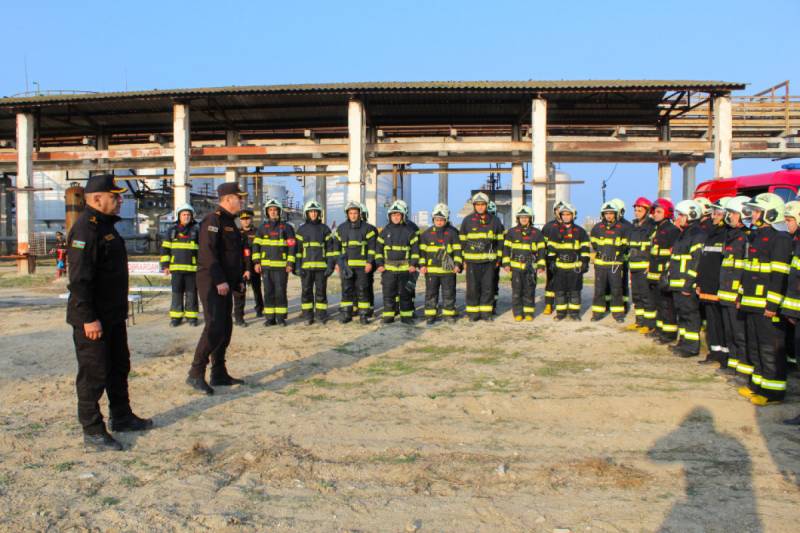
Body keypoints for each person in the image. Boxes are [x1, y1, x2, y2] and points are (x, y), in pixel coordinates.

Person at [67, 174, 152, 451]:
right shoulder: (86, 229)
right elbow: (79, 279)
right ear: (96, 199)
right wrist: (88, 317)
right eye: (114, 196)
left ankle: (122, 416)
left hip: (113, 316)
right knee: (94, 374)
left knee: (119, 366)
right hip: (94, 319)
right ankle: (92, 430)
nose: (119, 201)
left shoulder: (106, 226)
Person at [187, 182, 248, 395]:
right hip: (212, 281)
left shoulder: (232, 222)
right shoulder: (213, 220)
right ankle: (195, 373)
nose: (242, 201)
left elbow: (232, 255)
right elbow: (208, 253)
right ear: (228, 198)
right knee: (213, 326)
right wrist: (220, 280)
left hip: (225, 282)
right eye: (239, 198)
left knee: (225, 328)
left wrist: (237, 279)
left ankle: (219, 372)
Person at [737, 193, 792, 406]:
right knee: (755, 346)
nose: (753, 215)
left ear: (770, 213)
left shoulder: (781, 239)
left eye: (758, 211)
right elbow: (748, 271)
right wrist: (741, 295)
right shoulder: (756, 237)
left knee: (770, 348)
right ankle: (758, 384)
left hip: (766, 306)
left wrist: (772, 305)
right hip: (751, 302)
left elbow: (779, 275)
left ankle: (774, 392)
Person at [666, 200, 707, 357]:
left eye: (681, 215)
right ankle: (682, 343)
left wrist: (688, 284)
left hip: (686, 284)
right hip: (677, 282)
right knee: (682, 315)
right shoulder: (683, 234)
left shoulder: (698, 235)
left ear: (691, 215)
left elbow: (696, 262)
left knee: (690, 315)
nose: (678, 218)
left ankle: (691, 347)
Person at [716, 196, 751, 376]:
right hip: (726, 291)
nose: (729, 217)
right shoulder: (731, 236)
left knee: (740, 334)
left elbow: (747, 270)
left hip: (736, 293)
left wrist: (741, 293)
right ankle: (733, 364)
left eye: (733, 214)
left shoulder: (746, 238)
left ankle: (744, 371)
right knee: (729, 332)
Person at [696, 198, 731, 365]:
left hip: (719, 287)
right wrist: (699, 283)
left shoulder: (727, 235)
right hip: (707, 286)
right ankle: (714, 352)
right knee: (712, 323)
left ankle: (725, 356)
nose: (714, 217)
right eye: (713, 213)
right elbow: (704, 260)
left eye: (717, 213)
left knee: (722, 323)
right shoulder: (711, 233)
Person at [460, 192, 504, 321]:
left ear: (486, 205)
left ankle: (486, 314)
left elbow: (500, 242)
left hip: (489, 262)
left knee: (488, 288)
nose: (480, 207)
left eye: (482, 205)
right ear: (474, 206)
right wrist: (464, 260)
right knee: (472, 288)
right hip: (472, 262)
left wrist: (498, 259)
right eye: (477, 205)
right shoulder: (467, 220)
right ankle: (473, 314)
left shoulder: (495, 221)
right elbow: (462, 241)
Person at [253, 198, 296, 327]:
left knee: (280, 291)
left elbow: (292, 246)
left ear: (279, 212)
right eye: (270, 210)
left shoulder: (287, 228)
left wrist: (290, 263)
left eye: (275, 210)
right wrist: (256, 262)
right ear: (267, 212)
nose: (273, 212)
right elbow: (256, 246)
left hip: (282, 267)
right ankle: (270, 318)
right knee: (268, 292)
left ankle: (281, 318)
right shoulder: (262, 228)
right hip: (266, 267)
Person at [376, 200, 420, 324]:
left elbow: (415, 250)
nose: (395, 217)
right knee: (388, 293)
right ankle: (389, 316)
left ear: (403, 216)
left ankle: (406, 317)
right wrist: (379, 264)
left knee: (405, 294)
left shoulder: (409, 231)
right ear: (389, 216)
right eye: (393, 215)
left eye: (398, 215)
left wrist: (413, 264)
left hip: (405, 269)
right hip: (388, 270)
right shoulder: (384, 232)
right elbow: (378, 249)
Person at [333, 201, 376, 324]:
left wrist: (369, 262)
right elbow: (336, 248)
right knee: (346, 290)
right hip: (346, 266)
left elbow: (372, 248)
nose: (353, 215)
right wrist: (337, 263)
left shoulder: (367, 228)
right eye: (351, 213)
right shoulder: (341, 229)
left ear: (359, 214)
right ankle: (347, 314)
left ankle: (363, 315)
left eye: (355, 213)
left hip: (362, 266)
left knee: (362, 289)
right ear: (347, 214)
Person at [419, 203, 462, 324]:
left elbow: (458, 251)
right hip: (431, 271)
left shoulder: (453, 233)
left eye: (442, 220)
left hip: (448, 270)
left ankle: (448, 314)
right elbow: (422, 253)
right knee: (431, 293)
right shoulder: (426, 234)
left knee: (449, 293)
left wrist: (458, 264)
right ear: (433, 219)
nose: (439, 222)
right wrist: (422, 266)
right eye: (437, 219)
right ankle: (430, 315)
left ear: (446, 219)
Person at [295, 200, 336, 325]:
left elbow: (330, 250)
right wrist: (297, 266)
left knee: (321, 292)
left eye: (315, 212)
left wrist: (330, 266)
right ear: (307, 213)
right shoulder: (301, 230)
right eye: (311, 212)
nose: (313, 214)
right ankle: (308, 315)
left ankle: (321, 314)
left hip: (321, 268)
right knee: (306, 291)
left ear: (319, 214)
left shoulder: (325, 229)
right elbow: (298, 251)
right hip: (306, 268)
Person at [645, 198, 681, 343]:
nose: (655, 214)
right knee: (658, 305)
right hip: (654, 274)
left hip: (664, 275)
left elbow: (673, 254)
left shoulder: (672, 231)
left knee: (667, 306)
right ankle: (659, 330)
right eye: (654, 211)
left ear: (667, 213)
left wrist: (667, 273)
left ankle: (669, 334)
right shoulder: (657, 229)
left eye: (659, 211)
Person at [547, 202, 590, 321]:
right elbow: (551, 248)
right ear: (560, 216)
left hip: (575, 268)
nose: (566, 217)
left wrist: (584, 262)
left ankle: (574, 314)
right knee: (560, 291)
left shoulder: (580, 231)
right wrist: (551, 262)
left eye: (568, 214)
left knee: (574, 292)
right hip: (560, 267)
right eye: (563, 215)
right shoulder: (555, 230)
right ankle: (561, 314)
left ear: (573, 215)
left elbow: (585, 249)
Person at [502, 205, 546, 321]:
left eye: (526, 217)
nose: (524, 219)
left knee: (529, 290)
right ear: (518, 219)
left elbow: (542, 251)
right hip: (515, 268)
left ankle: (529, 313)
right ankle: (518, 313)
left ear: (531, 219)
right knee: (517, 291)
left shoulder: (537, 233)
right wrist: (506, 264)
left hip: (531, 267)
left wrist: (541, 265)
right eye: (521, 217)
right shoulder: (511, 232)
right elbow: (506, 250)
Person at [160, 203, 200, 327]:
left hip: (192, 269)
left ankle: (191, 317)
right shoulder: (171, 230)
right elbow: (165, 248)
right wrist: (165, 265)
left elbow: (202, 250)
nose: (186, 216)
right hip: (176, 269)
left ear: (192, 216)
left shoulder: (197, 229)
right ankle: (176, 318)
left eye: (188, 214)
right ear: (179, 216)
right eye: (184, 214)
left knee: (191, 294)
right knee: (176, 294)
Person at [590, 201, 628, 322]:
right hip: (601, 265)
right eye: (606, 214)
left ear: (615, 214)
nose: (609, 216)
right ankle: (597, 313)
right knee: (599, 290)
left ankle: (618, 315)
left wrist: (616, 255)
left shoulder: (622, 228)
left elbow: (625, 246)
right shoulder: (597, 228)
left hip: (615, 265)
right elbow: (594, 244)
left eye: (611, 213)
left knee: (616, 289)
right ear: (603, 215)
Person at [626, 197, 655, 332]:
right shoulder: (634, 226)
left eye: (640, 210)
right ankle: (639, 321)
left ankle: (649, 324)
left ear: (647, 211)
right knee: (636, 295)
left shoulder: (651, 226)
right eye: (636, 210)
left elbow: (654, 247)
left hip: (645, 266)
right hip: (634, 266)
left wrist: (650, 264)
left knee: (646, 295)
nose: (637, 213)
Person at [233, 209, 264, 327]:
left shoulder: (257, 232)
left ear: (251, 219)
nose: (245, 221)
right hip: (241, 266)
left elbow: (261, 247)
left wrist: (259, 263)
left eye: (247, 218)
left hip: (254, 265)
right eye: (243, 219)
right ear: (240, 220)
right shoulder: (236, 232)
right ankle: (239, 314)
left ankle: (259, 309)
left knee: (257, 289)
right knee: (240, 290)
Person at [541, 201, 565, 315]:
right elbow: (542, 245)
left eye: (562, 209)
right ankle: (549, 304)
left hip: (567, 260)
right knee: (551, 282)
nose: (560, 211)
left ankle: (564, 305)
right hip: (551, 260)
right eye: (558, 209)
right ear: (554, 211)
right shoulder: (548, 227)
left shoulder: (571, 226)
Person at [487, 201, 505, 314]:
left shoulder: (499, 225)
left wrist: (499, 260)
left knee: (494, 284)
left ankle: (493, 305)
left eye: (492, 213)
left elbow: (501, 244)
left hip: (494, 261)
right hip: (480, 260)